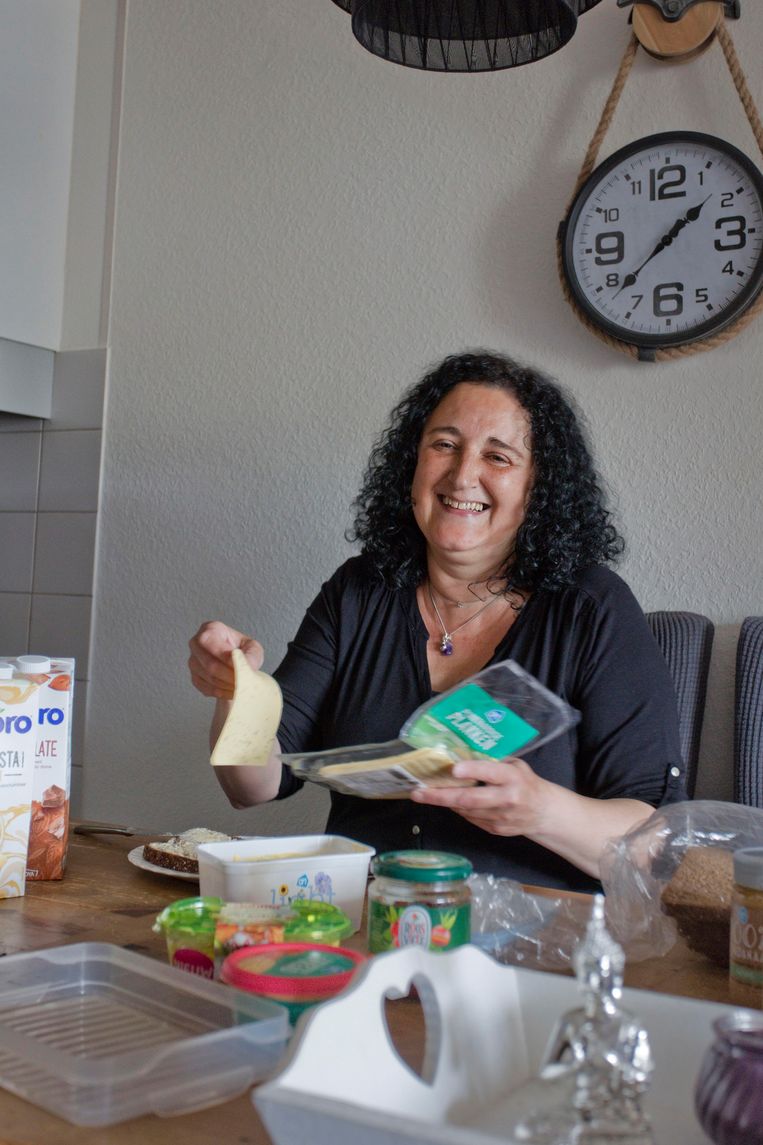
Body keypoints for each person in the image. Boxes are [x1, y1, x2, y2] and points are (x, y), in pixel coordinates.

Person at [188, 351, 684, 892]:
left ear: (538, 488)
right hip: (366, 923)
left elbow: (655, 846)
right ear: (413, 465)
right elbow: (251, 787)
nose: (462, 474)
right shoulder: (360, 590)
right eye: (444, 445)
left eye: (498, 457)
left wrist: (540, 810)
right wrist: (238, 693)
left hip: (534, 946)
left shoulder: (592, 609)